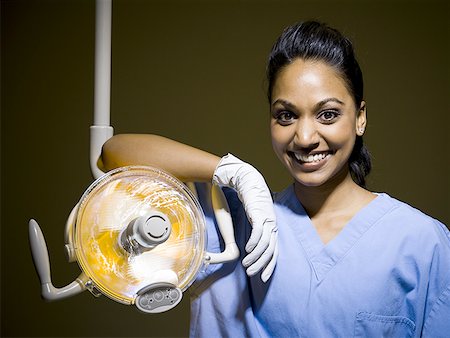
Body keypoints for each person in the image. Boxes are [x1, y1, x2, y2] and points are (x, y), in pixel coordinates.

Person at [100, 21, 450, 337]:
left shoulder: (422, 243)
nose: (305, 137)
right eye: (286, 115)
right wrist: (234, 172)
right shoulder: (232, 221)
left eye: (328, 114)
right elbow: (114, 153)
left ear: (360, 118)